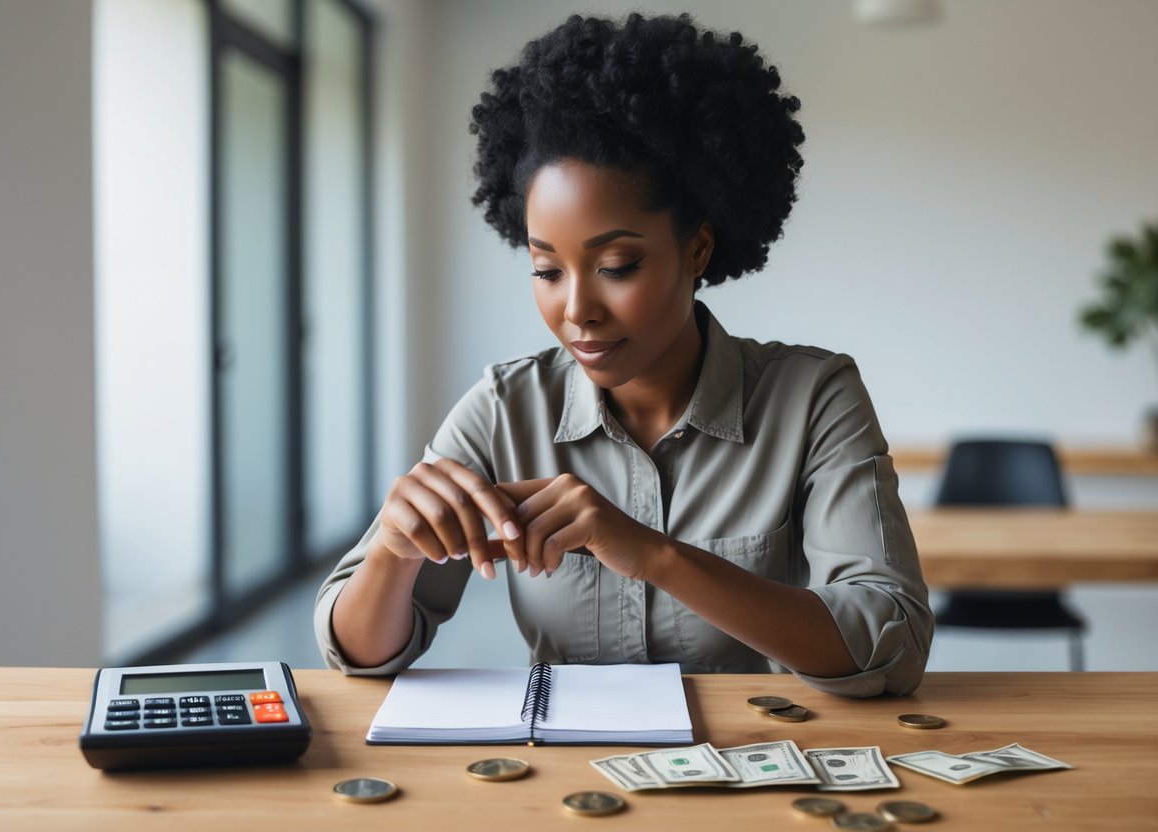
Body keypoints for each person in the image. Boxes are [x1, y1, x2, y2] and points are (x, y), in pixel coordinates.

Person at [315, 12, 933, 697]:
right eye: (546, 270)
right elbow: (355, 655)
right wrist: (393, 557)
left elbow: (892, 641)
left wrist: (654, 555)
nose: (576, 309)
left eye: (616, 265)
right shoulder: (503, 410)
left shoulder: (814, 398)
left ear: (696, 248)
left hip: (744, 778)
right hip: (560, 789)